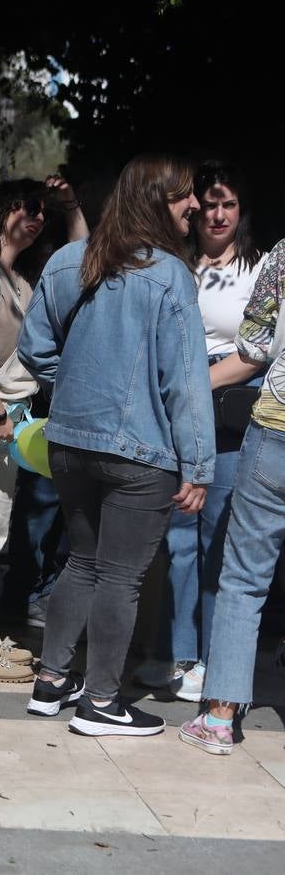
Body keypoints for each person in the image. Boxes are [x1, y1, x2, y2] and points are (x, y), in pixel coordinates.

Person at [18, 153, 214, 737]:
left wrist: (77, 385)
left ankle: (52, 682)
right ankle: (102, 702)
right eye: (185, 195)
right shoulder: (169, 276)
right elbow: (186, 380)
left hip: (70, 444)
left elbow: (35, 348)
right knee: (121, 577)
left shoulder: (67, 260)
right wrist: (199, 465)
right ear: (158, 200)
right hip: (139, 452)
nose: (197, 205)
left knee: (83, 560)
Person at [0, 178, 88, 683]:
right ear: (3, 211)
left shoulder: (21, 279)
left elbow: (84, 255)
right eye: (28, 208)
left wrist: (70, 205)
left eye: (42, 212)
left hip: (9, 425)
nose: (36, 218)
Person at [136, 161, 266, 702]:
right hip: (173, 415)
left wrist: (196, 382)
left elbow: (260, 352)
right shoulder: (177, 262)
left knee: (218, 540)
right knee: (174, 539)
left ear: (242, 210)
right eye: (209, 204)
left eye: (227, 204)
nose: (216, 214)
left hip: (229, 417)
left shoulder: (261, 269)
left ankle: (214, 660)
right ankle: (177, 653)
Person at [180, 237, 285, 754]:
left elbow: (254, 346)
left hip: (274, 430)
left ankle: (219, 719)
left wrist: (184, 382)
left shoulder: (282, 255)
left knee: (243, 578)